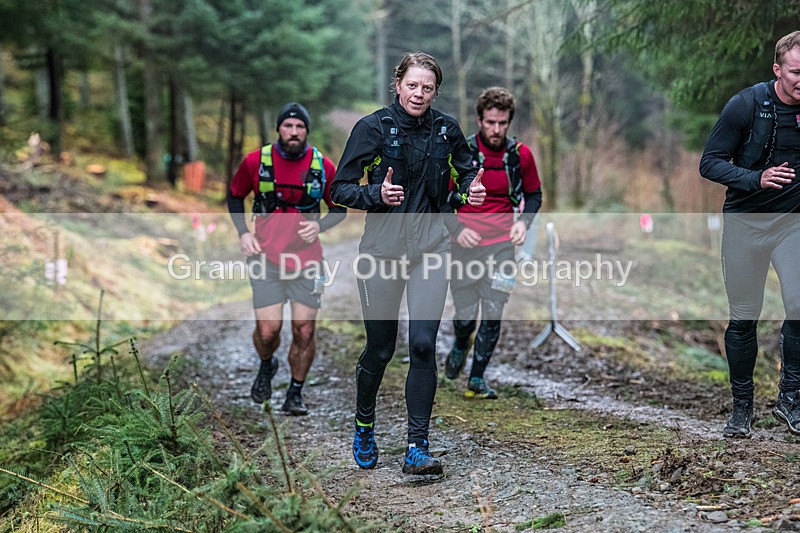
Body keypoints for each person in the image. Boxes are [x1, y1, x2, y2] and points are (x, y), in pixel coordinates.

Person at [331, 52, 486, 475]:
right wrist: (374, 196)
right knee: (380, 349)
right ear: (398, 84)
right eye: (412, 85)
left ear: (436, 91)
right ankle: (364, 423)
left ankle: (417, 446)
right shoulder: (371, 128)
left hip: (431, 251)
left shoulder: (446, 129)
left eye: (428, 87)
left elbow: (467, 169)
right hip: (381, 252)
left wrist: (471, 188)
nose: (419, 94)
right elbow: (338, 190)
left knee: (421, 345)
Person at [700, 31, 800, 438]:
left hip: (792, 225)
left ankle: (791, 399)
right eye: (797, 72)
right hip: (745, 224)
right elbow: (710, 163)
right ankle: (741, 408)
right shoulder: (746, 105)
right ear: (778, 70)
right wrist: (756, 178)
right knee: (743, 318)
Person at [227, 102, 345, 416]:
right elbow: (235, 194)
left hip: (308, 263)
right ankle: (267, 364)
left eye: (300, 127)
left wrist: (319, 224)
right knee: (268, 331)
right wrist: (243, 232)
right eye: (288, 126)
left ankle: (295, 392)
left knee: (304, 330)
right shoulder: (257, 161)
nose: (293, 132)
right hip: (265, 259)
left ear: (307, 130)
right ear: (279, 128)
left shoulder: (323, 166)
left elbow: (340, 208)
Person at [443, 87, 542, 399]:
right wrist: (457, 229)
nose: (496, 129)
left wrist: (523, 224)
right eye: (490, 122)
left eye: (502, 123)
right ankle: (461, 342)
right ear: (479, 120)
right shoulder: (462, 153)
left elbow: (535, 195)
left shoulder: (520, 155)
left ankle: (476, 378)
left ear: (509, 122)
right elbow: (441, 199)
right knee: (465, 315)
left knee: (494, 309)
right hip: (465, 245)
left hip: (502, 245)